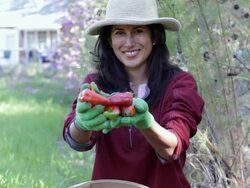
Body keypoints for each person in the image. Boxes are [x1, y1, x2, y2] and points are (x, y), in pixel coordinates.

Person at [63, 0, 204, 187]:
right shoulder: (96, 84)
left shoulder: (179, 84)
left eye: (138, 31)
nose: (129, 43)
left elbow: (172, 147)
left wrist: (146, 122)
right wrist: (81, 124)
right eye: (119, 32)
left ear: (154, 36)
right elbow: (77, 142)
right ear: (109, 40)